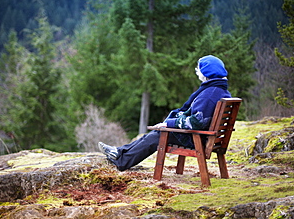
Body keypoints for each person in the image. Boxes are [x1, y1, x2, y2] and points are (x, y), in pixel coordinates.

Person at [98, 55, 232, 171]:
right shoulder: (219, 90)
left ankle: (121, 162)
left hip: (197, 139)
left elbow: (195, 122)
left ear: (206, 73)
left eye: (199, 69)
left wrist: (169, 123)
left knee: (157, 136)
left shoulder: (209, 94)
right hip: (205, 138)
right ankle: (119, 152)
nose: (197, 73)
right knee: (155, 133)